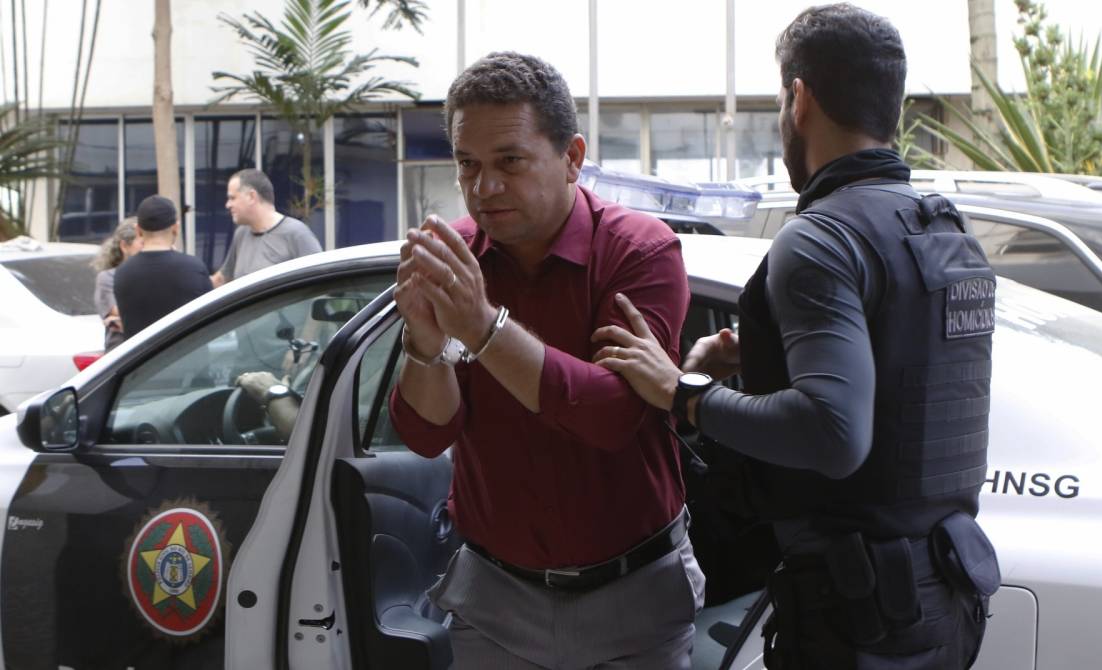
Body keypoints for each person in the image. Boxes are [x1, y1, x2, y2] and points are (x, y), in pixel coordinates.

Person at [592, 5, 1000, 668]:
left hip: (856, 617)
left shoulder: (820, 239)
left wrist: (682, 392)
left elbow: (834, 434)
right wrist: (766, 362)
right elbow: (903, 392)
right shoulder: (942, 231)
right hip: (943, 600)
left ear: (799, 97)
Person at [388, 52, 703, 668]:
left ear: (573, 158)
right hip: (494, 598)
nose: (485, 187)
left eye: (510, 160)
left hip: (633, 596)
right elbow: (427, 434)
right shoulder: (459, 256)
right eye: (467, 165)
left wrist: (482, 328)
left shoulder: (639, 252)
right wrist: (425, 344)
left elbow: (613, 416)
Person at [114, 195, 212, 340]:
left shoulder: (122, 273)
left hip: (143, 361)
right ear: (176, 228)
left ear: (138, 230)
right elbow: (211, 316)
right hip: (191, 360)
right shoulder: (194, 268)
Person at [210, 168, 322, 287]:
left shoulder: (296, 233)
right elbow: (223, 279)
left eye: (233, 198)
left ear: (251, 196)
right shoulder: (241, 234)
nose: (228, 205)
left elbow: (320, 280)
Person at [91, 217, 142, 351]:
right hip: (121, 353)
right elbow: (119, 310)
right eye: (142, 243)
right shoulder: (108, 277)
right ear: (124, 246)